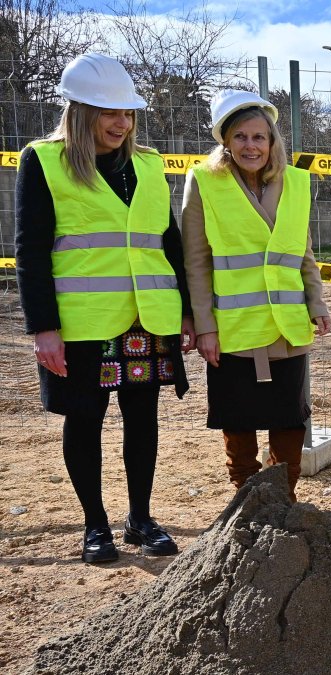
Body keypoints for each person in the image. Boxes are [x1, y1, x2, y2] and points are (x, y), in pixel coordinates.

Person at [15, 53, 193, 564]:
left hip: (147, 317)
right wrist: (43, 328)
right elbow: (30, 250)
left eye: (128, 113)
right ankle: (96, 525)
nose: (122, 123)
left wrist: (183, 311)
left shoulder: (150, 164)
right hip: (82, 322)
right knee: (84, 419)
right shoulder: (44, 160)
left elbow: (169, 241)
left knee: (143, 419)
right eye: (108, 112)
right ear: (79, 111)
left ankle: (140, 518)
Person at [181, 90, 331, 502]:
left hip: (287, 324)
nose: (251, 146)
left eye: (260, 137)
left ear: (272, 141)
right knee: (239, 419)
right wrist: (204, 327)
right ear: (226, 142)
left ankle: (283, 496)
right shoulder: (205, 182)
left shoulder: (297, 183)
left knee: (289, 419)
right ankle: (246, 496)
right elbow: (196, 260)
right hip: (234, 327)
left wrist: (315, 302)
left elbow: (303, 252)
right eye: (241, 137)